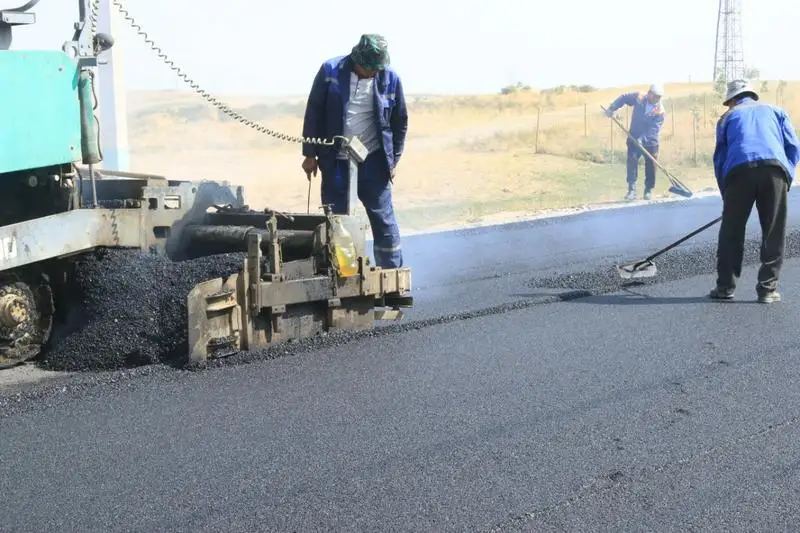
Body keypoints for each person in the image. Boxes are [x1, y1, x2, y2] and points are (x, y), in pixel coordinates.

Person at [300, 34, 408, 269]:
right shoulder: (330, 71)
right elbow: (314, 112)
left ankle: (391, 272)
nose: (374, 72)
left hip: (374, 161)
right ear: (357, 60)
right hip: (336, 161)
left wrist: (393, 160)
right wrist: (309, 154)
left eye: (378, 68)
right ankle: (343, 273)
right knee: (337, 221)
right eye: (370, 68)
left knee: (383, 219)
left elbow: (400, 122)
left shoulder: (390, 78)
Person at [709, 79, 800, 303]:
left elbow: (720, 158)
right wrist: (785, 178)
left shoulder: (727, 118)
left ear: (732, 100)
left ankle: (725, 287)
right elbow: (793, 147)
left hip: (738, 172)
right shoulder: (776, 111)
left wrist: (727, 193)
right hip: (774, 170)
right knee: (773, 230)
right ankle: (767, 289)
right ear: (752, 95)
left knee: (731, 231)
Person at [605, 84, 666, 201]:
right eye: (655, 96)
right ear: (649, 93)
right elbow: (623, 98)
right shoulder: (639, 97)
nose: (657, 99)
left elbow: (653, 129)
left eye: (659, 97)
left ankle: (648, 190)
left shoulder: (660, 111)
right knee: (632, 162)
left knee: (651, 165)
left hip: (650, 141)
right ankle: (631, 190)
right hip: (634, 136)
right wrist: (612, 108)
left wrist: (642, 139)